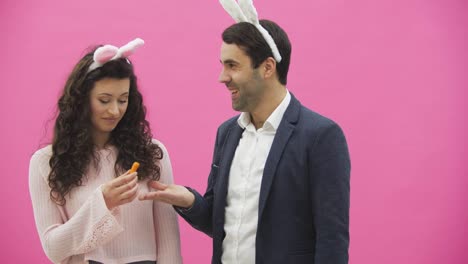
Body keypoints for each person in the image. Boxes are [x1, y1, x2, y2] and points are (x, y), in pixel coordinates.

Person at [140, 2, 350, 264]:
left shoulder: (321, 136)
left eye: (232, 65)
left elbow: (333, 240)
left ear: (267, 67)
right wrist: (189, 201)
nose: (222, 77)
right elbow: (219, 223)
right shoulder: (228, 133)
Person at [29, 38, 182, 264]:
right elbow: (53, 248)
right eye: (104, 100)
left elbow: (169, 245)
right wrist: (103, 202)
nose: (114, 110)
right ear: (81, 100)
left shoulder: (152, 154)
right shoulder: (46, 162)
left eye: (123, 100)